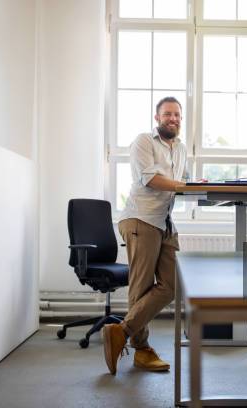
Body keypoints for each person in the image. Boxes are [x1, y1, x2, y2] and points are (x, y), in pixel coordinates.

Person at [102, 96, 187, 375]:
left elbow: (176, 187)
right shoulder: (144, 141)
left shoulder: (182, 149)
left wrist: (192, 186)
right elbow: (149, 179)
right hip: (141, 219)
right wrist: (183, 185)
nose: (172, 119)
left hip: (164, 221)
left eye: (176, 115)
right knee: (140, 286)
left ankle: (121, 331)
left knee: (172, 284)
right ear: (157, 118)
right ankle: (142, 351)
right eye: (167, 115)